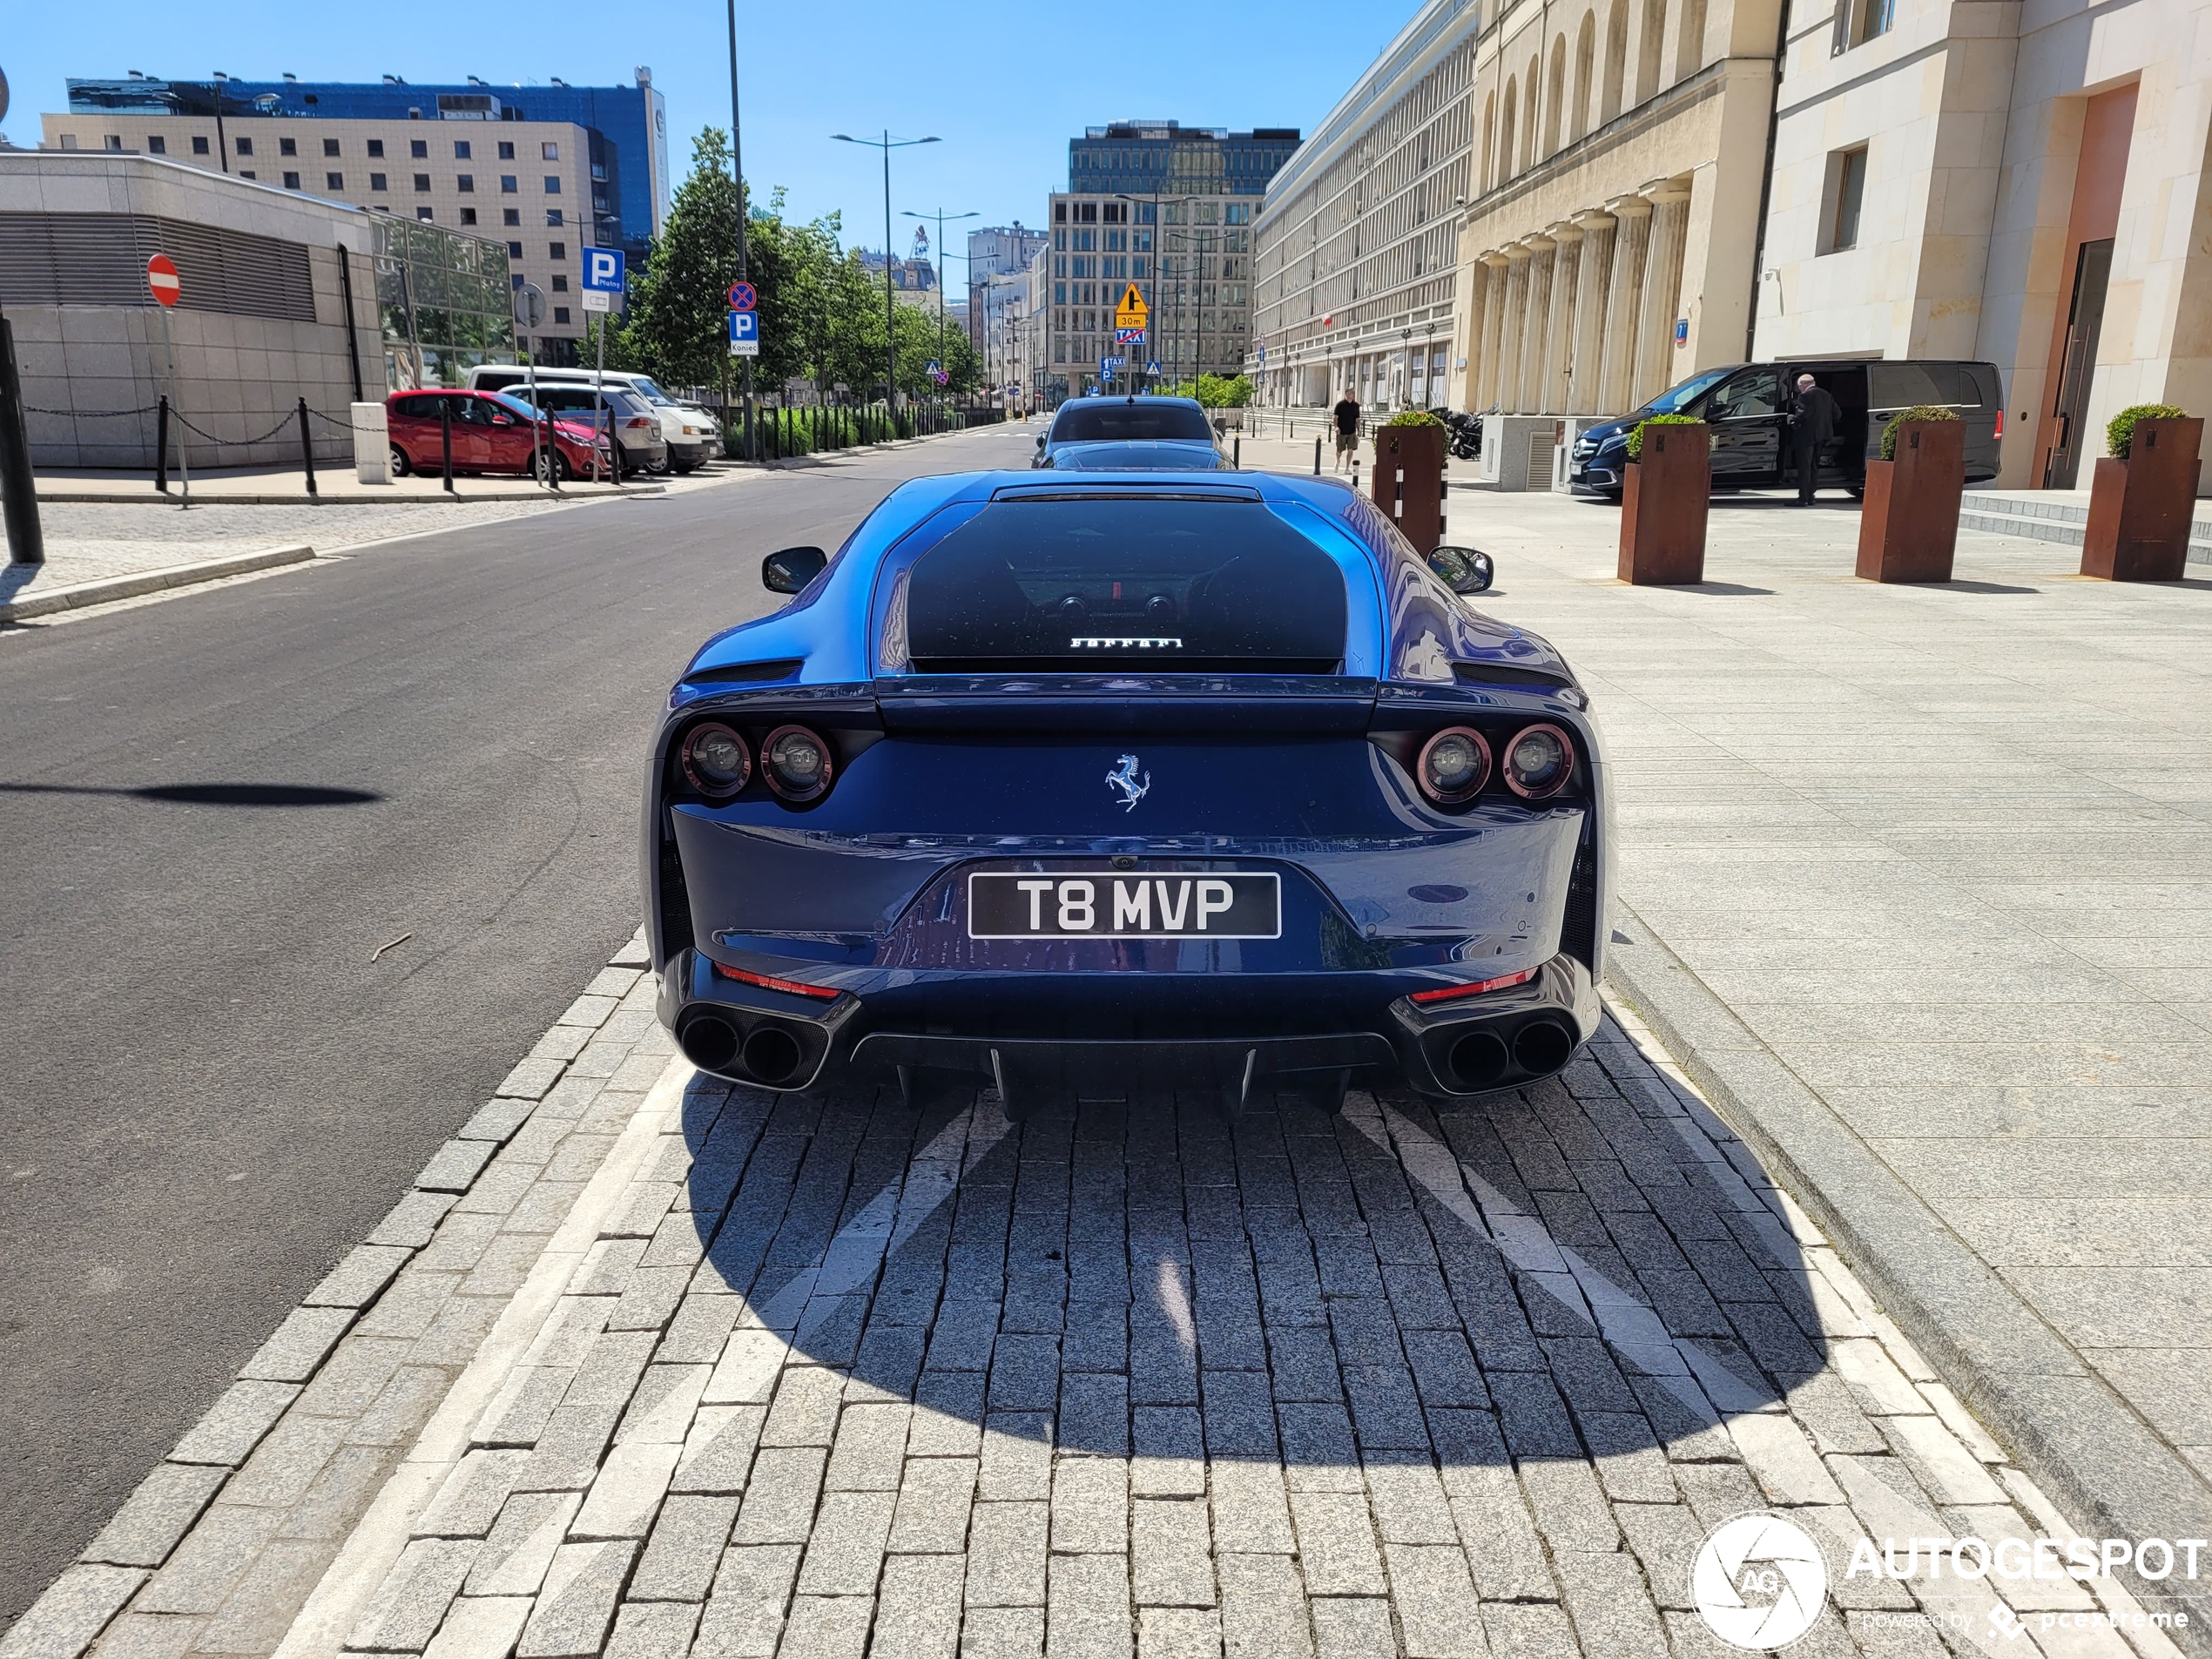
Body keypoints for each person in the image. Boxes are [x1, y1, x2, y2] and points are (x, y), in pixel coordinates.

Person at [1787, 372, 1838, 504]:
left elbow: (1802, 414)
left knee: (1804, 467)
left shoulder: (1805, 396)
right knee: (1814, 467)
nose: (1798, 389)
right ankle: (1810, 496)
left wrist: (1792, 420)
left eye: (1799, 386)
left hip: (1806, 437)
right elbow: (1837, 414)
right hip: (1822, 436)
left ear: (1803, 385)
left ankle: (1803, 498)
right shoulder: (1827, 395)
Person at [1332, 387, 1362, 472]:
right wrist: (1336, 427)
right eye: (1352, 393)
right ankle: (1337, 461)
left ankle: (1347, 468)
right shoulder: (1340, 405)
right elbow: (1335, 417)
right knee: (1339, 450)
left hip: (1351, 431)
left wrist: (1359, 430)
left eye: (1354, 393)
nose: (1353, 394)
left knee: (1350, 450)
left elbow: (1357, 419)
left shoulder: (1356, 406)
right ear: (1347, 394)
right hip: (1341, 431)